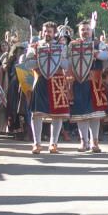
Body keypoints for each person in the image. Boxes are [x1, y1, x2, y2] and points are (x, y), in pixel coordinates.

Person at [22, 21, 70, 154]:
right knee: (36, 114)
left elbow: (66, 65)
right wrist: (42, 60)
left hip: (57, 83)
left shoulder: (61, 47)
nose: (46, 33)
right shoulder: (35, 46)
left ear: (54, 33)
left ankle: (53, 144)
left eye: (49, 31)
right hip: (40, 81)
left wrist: (56, 57)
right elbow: (27, 65)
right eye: (44, 31)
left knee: (57, 115)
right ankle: (37, 144)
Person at [67, 20, 108, 153]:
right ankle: (83, 142)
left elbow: (105, 55)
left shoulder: (98, 43)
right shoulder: (73, 45)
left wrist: (93, 51)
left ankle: (94, 142)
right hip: (79, 82)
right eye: (82, 29)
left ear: (91, 30)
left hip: (94, 82)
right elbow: (68, 61)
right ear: (78, 32)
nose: (85, 31)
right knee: (81, 114)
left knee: (94, 114)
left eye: (87, 29)